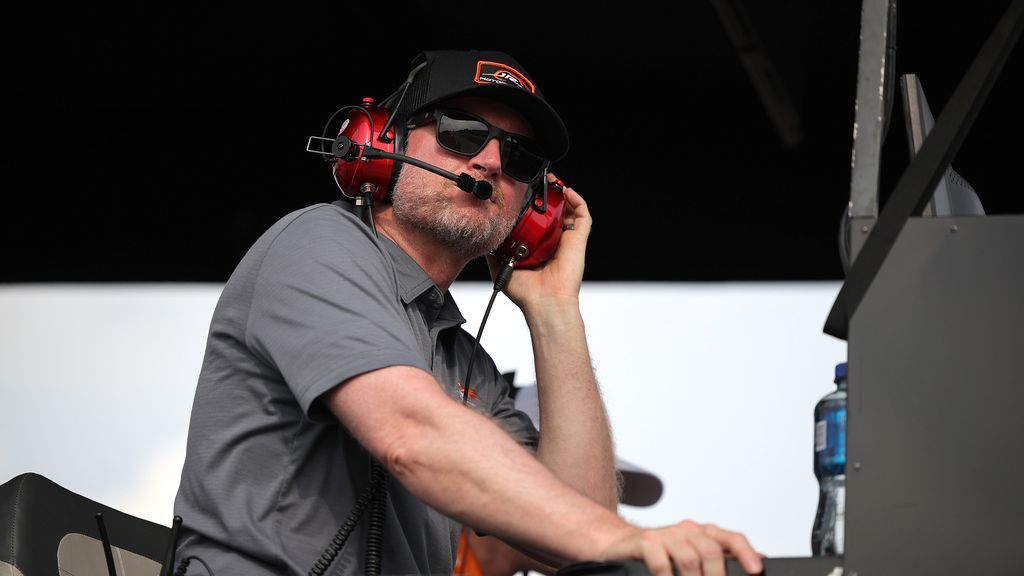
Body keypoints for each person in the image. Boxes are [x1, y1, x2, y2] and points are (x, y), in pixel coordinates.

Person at [173, 50, 763, 576]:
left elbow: (577, 530)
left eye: (520, 157)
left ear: (535, 205)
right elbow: (412, 432)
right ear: (385, 143)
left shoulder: (465, 362)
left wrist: (555, 311)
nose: (491, 162)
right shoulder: (315, 242)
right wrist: (621, 539)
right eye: (460, 133)